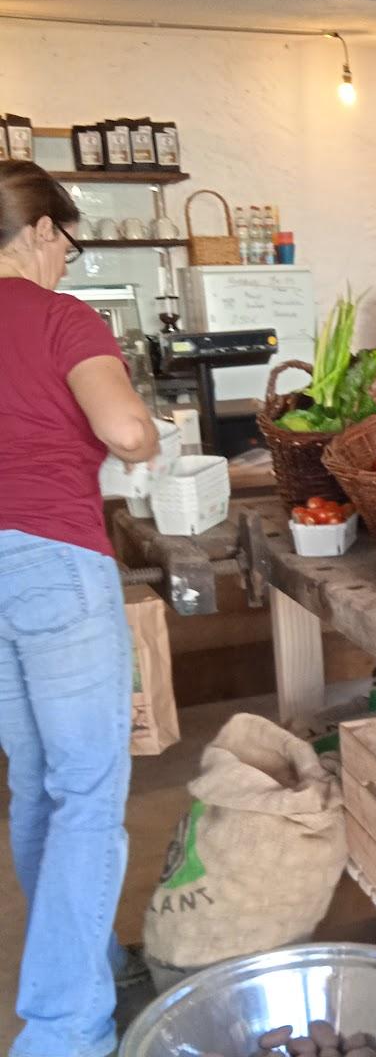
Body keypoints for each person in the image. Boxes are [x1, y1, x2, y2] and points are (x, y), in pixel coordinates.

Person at [0, 160, 159, 1057]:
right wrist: (148, 436)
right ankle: (65, 1033)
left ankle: (86, 962)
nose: (66, 257)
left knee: (38, 784)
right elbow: (126, 430)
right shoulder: (63, 317)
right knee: (89, 792)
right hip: (52, 561)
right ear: (38, 230)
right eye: (66, 240)